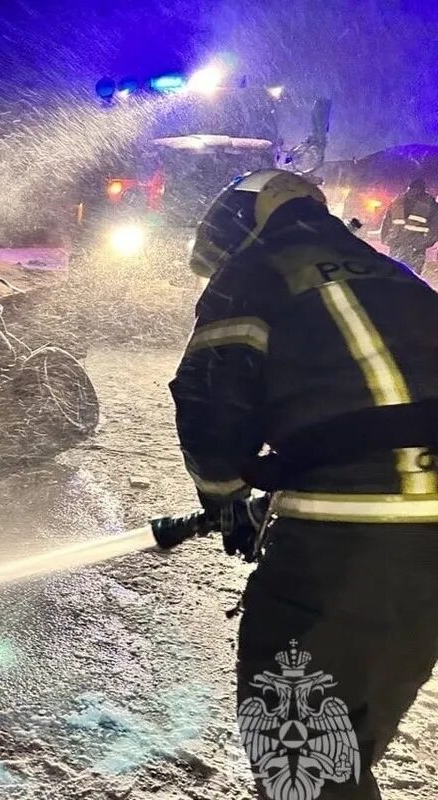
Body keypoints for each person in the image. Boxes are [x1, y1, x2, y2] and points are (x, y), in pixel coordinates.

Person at [171, 169, 438, 799]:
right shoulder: (394, 275)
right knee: (342, 741)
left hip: (350, 544)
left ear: (240, 219)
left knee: (299, 746)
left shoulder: (256, 272)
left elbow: (210, 401)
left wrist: (225, 497)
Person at [380, 178, 438, 273]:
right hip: (414, 250)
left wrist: (387, 239)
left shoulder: (397, 201)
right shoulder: (431, 204)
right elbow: (435, 229)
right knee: (411, 279)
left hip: (398, 245)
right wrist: (422, 244)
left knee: (393, 275)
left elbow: (386, 223)